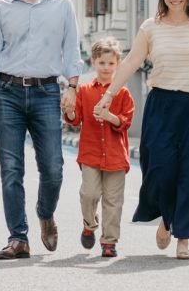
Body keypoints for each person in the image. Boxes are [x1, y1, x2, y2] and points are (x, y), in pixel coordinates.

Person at [95, 0, 189, 261]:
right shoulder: (150, 27)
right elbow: (130, 62)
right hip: (163, 106)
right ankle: (167, 219)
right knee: (160, 168)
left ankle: (184, 238)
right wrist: (108, 94)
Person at [0, 0, 82, 260]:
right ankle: (18, 238)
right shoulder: (0, 7)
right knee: (11, 169)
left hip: (46, 91)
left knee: (53, 168)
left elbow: (71, 49)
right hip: (6, 92)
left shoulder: (62, 5)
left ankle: (45, 213)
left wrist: (72, 87)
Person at [64, 37, 135, 259]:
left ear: (118, 64)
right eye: (101, 63)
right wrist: (69, 110)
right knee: (89, 194)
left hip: (116, 156)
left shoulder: (123, 93)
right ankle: (89, 225)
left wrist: (109, 116)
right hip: (90, 153)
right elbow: (75, 119)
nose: (106, 67)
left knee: (114, 201)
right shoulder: (84, 90)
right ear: (93, 62)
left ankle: (109, 242)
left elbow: (126, 122)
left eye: (111, 63)